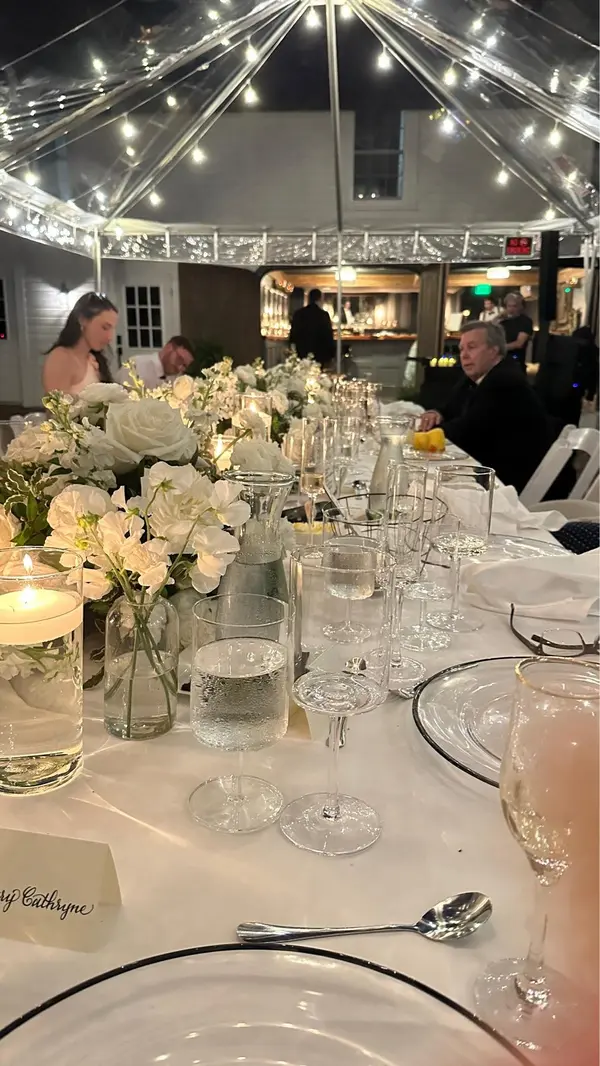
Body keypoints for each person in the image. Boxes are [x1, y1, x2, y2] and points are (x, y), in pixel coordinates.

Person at [419, 320, 551, 492]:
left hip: (507, 484)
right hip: (489, 469)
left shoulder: (505, 381)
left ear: (493, 351)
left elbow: (466, 431)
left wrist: (422, 433)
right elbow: (450, 407)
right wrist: (435, 413)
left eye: (471, 347)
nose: (464, 355)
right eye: (461, 349)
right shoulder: (479, 376)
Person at [42, 292, 117, 396]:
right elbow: (56, 405)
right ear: (83, 320)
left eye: (112, 329)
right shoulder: (61, 357)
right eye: (104, 328)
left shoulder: (92, 359)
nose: (109, 337)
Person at [116, 335, 195, 389]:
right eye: (179, 359)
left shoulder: (176, 379)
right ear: (169, 347)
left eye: (184, 366)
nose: (179, 368)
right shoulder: (136, 365)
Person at [289, 288, 335, 368]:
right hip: (319, 352)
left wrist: (293, 348)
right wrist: (331, 354)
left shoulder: (298, 314)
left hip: (302, 350)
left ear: (308, 298)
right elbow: (328, 335)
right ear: (320, 299)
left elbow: (293, 333)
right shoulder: (323, 315)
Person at [499, 292, 533, 369]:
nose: (511, 309)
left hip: (516, 361)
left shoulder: (525, 321)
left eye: (514, 306)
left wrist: (500, 348)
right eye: (509, 306)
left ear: (520, 307)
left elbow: (519, 343)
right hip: (501, 360)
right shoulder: (503, 321)